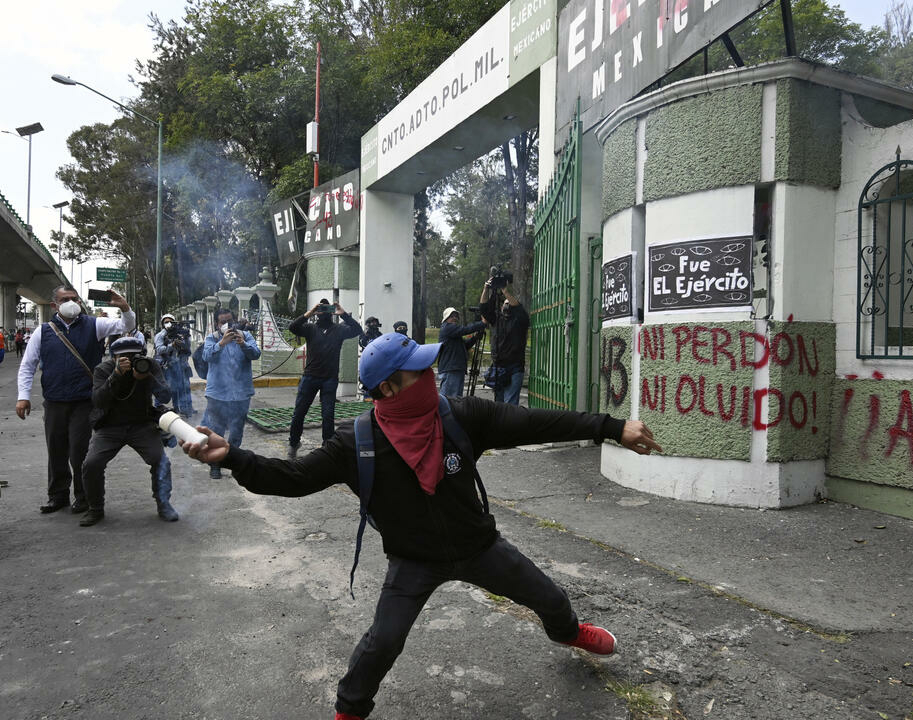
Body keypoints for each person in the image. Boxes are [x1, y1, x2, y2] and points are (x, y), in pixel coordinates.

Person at [179, 332, 662, 720]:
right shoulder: (356, 442)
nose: (432, 376)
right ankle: (348, 712)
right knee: (382, 643)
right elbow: (293, 478)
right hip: (413, 560)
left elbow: (536, 423)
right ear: (389, 388)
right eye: (420, 371)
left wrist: (610, 427)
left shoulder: (461, 415)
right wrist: (234, 456)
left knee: (551, 598)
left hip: (479, 547)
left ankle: (569, 633)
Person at [16, 287, 136, 514]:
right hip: (54, 402)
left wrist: (125, 308)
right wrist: (23, 397)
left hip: (84, 401)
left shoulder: (94, 325)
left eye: (74, 299)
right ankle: (57, 496)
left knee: (80, 451)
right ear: (54, 305)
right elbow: (28, 366)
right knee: (56, 451)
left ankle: (83, 497)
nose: (71, 303)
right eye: (65, 299)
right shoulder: (43, 331)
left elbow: (125, 326)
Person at [78, 337, 176, 526]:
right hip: (109, 425)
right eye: (124, 357)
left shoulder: (149, 366)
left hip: (141, 424)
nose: (130, 360)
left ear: (143, 355)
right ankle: (95, 508)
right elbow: (98, 401)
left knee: (160, 460)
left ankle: (164, 504)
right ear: (114, 357)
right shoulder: (104, 369)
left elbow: (165, 396)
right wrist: (116, 375)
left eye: (134, 356)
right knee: (91, 463)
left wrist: (148, 377)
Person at [286, 299, 362, 458]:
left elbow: (357, 330)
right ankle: (293, 443)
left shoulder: (339, 329)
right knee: (299, 413)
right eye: (320, 308)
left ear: (331, 312)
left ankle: (327, 450)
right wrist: (310, 313)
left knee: (328, 416)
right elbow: (293, 327)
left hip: (329, 379)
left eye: (326, 308)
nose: (323, 311)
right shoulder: (310, 329)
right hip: (310, 377)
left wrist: (343, 314)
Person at [202, 307, 261, 479]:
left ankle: (233, 462)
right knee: (216, 430)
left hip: (241, 394)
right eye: (223, 322)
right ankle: (215, 464)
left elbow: (256, 354)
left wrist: (243, 344)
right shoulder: (212, 338)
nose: (227, 325)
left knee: (236, 431)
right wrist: (222, 343)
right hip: (217, 394)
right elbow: (206, 356)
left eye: (230, 321)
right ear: (216, 324)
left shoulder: (246, 336)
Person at [479, 277, 530, 405]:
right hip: (499, 367)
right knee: (499, 404)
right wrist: (486, 289)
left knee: (510, 404)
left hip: (515, 366)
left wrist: (505, 291)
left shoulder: (520, 320)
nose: (507, 306)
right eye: (505, 304)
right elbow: (484, 308)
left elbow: (519, 309)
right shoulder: (497, 319)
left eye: (509, 303)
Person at [436, 307, 484, 397]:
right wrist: (482, 323)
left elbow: (465, 346)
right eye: (452, 316)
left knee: (456, 400)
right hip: (451, 369)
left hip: (456, 368)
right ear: (446, 318)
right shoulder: (447, 327)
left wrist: (475, 337)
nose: (455, 318)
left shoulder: (454, 333)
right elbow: (465, 329)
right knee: (450, 399)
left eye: (456, 316)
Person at [154, 314, 195, 417]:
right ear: (162, 324)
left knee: (179, 387)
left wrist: (186, 338)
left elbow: (187, 349)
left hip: (179, 365)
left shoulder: (179, 334)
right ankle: (158, 408)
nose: (169, 324)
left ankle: (179, 408)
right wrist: (171, 345)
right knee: (163, 388)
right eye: (166, 322)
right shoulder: (160, 335)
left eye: (171, 322)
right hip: (165, 365)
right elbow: (159, 349)